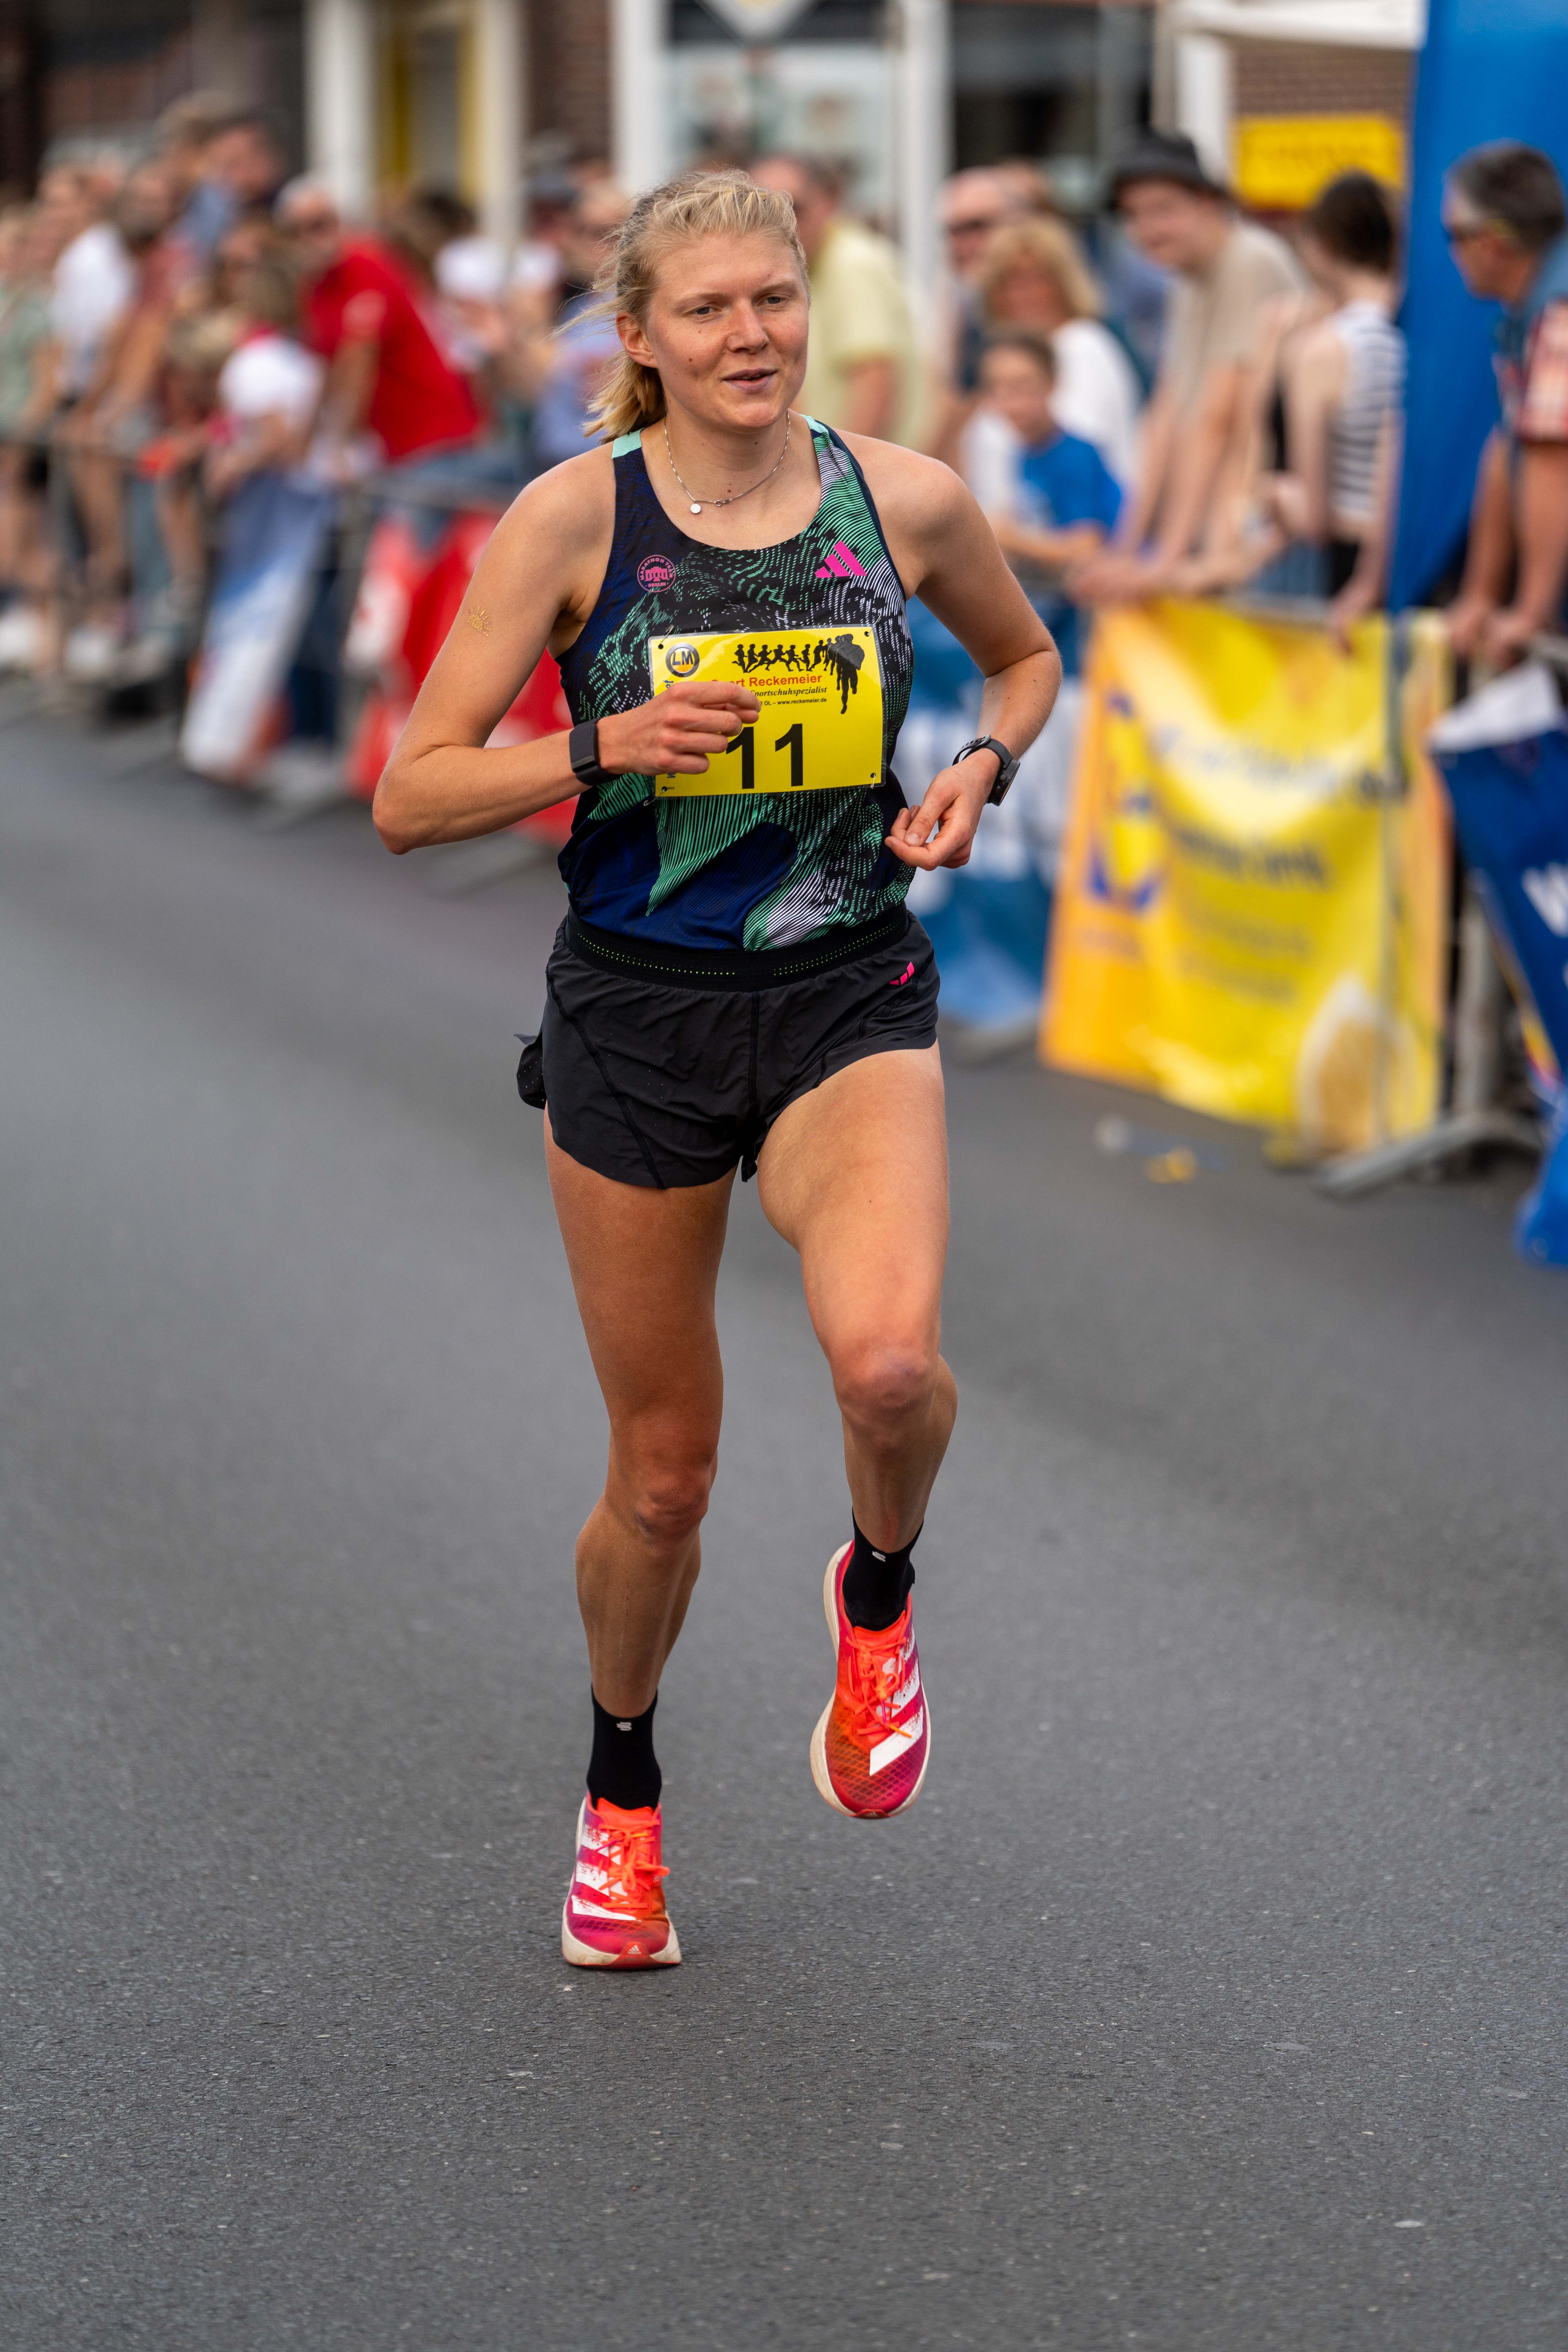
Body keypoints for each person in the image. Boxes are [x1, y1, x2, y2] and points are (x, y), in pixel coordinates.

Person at [371, 169, 1058, 1968]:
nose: (750, 334)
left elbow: (1026, 657)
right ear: (640, 336)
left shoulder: (901, 497)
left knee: (889, 1366)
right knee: (664, 1477)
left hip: (843, 991)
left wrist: (979, 765)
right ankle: (622, 1792)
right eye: (708, 308)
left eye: (774, 298)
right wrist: (603, 744)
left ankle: (877, 1593)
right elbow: (410, 792)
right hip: (639, 1015)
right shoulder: (569, 519)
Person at [1077, 130, 1298, 602]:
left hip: (1268, 524)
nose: (1147, 229)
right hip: (1226, 521)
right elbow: (1166, 414)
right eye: (1133, 215)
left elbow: (1220, 418)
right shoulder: (1186, 282)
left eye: (1163, 209)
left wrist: (1166, 560)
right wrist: (1126, 550)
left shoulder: (1249, 261)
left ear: (1209, 202)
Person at [1443, 142, 1568, 669]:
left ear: (1493, 242)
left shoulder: (1559, 315)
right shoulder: (1531, 315)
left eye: (1454, 236)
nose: (1452, 253)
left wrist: (1531, 611)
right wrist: (1481, 594)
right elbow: (1507, 448)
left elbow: (1551, 458)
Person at [276, 179, 482, 473]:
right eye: (296, 231)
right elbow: (329, 371)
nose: (310, 238)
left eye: (320, 225)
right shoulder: (316, 286)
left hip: (434, 436)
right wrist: (306, 440)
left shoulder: (364, 265)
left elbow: (359, 360)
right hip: (396, 444)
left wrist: (338, 445)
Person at [752, 153, 923, 444]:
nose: (780, 225)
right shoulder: (808, 265)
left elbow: (874, 384)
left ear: (829, 202)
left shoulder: (852, 265)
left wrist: (839, 467)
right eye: (762, 212)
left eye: (794, 209)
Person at [977, 214, 1142, 486]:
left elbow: (1079, 454)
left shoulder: (1082, 344)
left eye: (1037, 279)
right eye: (1009, 282)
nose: (1023, 294)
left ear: (1064, 283)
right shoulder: (1004, 356)